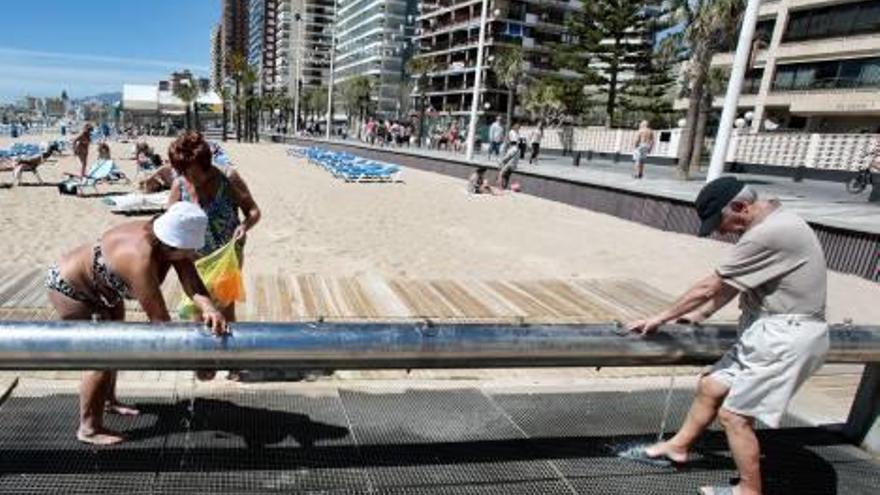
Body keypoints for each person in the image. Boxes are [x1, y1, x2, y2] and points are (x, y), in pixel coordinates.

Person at [627, 177, 830, 495]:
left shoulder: (768, 233)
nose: (720, 230)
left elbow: (712, 286)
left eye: (719, 221)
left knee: (734, 417)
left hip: (785, 337)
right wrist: (698, 316)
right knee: (711, 385)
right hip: (766, 331)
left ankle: (749, 491)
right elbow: (736, 285)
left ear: (739, 207)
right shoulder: (773, 223)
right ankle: (677, 447)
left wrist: (660, 317)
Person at [47, 202, 228, 445]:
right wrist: (200, 361)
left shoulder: (166, 238)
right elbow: (161, 325)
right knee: (100, 356)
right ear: (173, 245)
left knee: (113, 347)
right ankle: (88, 429)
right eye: (190, 250)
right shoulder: (139, 262)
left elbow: (191, 280)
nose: (194, 254)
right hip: (71, 288)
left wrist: (209, 308)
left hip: (105, 289)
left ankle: (108, 401)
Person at [167, 132, 261, 379]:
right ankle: (205, 362)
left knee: (225, 307)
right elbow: (171, 221)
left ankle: (231, 361)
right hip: (194, 258)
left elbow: (253, 211)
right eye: (183, 171)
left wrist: (245, 227)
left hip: (226, 254)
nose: (189, 177)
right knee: (199, 308)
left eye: (193, 171)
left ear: (206, 163)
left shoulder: (228, 177)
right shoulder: (179, 185)